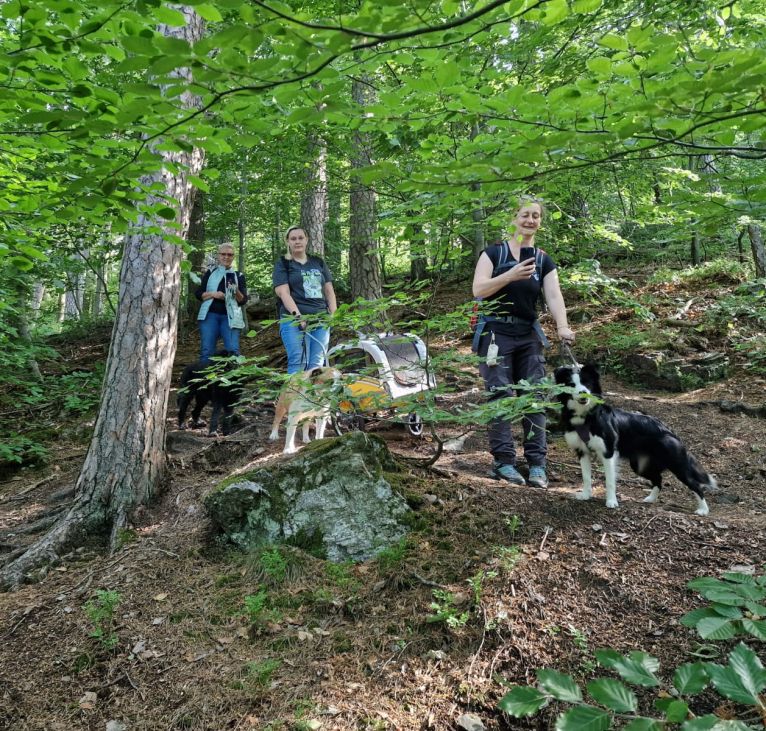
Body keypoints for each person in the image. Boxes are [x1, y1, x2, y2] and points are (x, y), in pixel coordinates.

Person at [471, 198, 575, 489]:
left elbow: (553, 296)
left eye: (536, 216)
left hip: (529, 335)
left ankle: (537, 464)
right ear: (513, 219)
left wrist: (563, 327)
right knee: (500, 396)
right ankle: (504, 462)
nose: (530, 220)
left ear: (540, 221)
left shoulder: (542, 259)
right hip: (495, 333)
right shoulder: (494, 253)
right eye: (525, 215)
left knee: (534, 397)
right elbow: (478, 289)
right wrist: (510, 275)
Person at [273, 226, 338, 374]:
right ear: (287, 242)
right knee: (298, 361)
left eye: (300, 238)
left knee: (317, 364)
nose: (297, 241)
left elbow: (329, 291)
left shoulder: (318, 262)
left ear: (306, 240)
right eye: (293, 239)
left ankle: (314, 390)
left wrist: (333, 316)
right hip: (293, 319)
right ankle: (294, 390)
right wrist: (298, 317)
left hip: (321, 319)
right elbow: (283, 293)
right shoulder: (283, 263)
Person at [195, 243, 248, 363]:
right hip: (209, 315)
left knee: (233, 351)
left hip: (231, 317)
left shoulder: (238, 275)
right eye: (223, 254)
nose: (226, 257)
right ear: (218, 256)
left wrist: (235, 290)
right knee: (207, 350)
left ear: (233, 257)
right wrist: (214, 294)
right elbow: (198, 294)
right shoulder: (210, 272)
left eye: (230, 255)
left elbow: (243, 300)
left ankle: (234, 375)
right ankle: (205, 374)